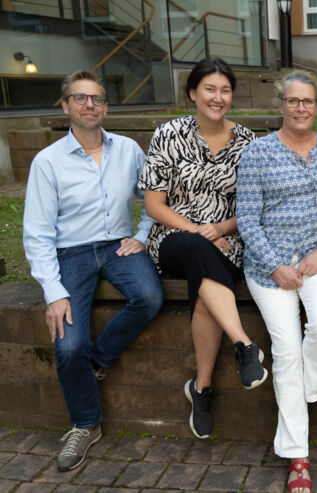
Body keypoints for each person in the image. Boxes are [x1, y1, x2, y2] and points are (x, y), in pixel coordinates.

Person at [23, 70, 163, 472]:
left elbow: (152, 199)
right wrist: (54, 290)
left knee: (150, 297)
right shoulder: (47, 162)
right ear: (65, 105)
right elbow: (36, 233)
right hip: (71, 254)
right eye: (80, 98)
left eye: (97, 99)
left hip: (119, 245)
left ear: (105, 107)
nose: (90, 105)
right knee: (67, 346)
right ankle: (86, 424)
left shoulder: (129, 150)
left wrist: (140, 234)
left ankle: (97, 361)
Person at [138, 57, 266, 440]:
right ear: (193, 93)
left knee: (207, 283)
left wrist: (221, 228)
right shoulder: (168, 134)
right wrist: (198, 230)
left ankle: (202, 387)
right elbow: (154, 205)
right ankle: (243, 344)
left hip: (230, 240)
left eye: (225, 90)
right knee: (197, 251)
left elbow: (253, 206)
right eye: (209, 89)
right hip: (174, 238)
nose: (218, 97)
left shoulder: (247, 141)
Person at [236, 70, 317, 493]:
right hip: (269, 267)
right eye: (293, 100)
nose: (301, 108)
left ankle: (307, 387)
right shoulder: (258, 153)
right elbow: (247, 218)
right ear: (279, 104)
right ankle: (297, 455)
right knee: (284, 350)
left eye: (308, 101)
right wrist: (274, 263)